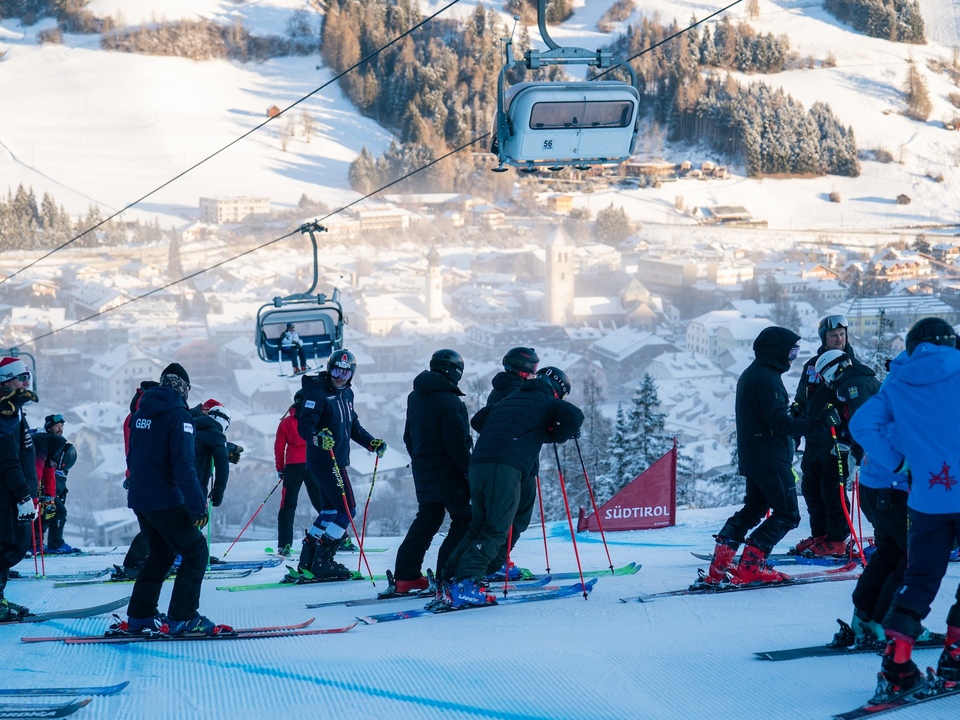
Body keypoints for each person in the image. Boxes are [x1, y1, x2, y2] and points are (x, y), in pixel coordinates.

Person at [849, 317, 960, 702]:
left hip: (926, 499)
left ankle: (897, 669)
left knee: (918, 580)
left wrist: (898, 462)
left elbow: (862, 424)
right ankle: (954, 664)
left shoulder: (897, 382)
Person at [704, 326, 838, 587]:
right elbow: (780, 423)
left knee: (753, 509)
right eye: (791, 351)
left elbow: (773, 418)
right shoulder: (767, 379)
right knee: (788, 514)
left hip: (755, 456)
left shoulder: (754, 374)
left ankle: (720, 566)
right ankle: (751, 566)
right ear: (775, 351)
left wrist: (795, 419)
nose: (793, 357)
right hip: (771, 458)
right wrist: (818, 423)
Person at [440, 366, 584, 609]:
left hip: (479, 465)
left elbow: (478, 420)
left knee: (478, 527)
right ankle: (465, 584)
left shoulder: (510, 398)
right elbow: (575, 417)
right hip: (504, 467)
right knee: (496, 528)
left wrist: (518, 431)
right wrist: (554, 433)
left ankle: (449, 579)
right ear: (557, 391)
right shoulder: (546, 401)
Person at [122, 363, 226, 636]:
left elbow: (132, 456)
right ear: (184, 390)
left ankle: (140, 615)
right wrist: (197, 505)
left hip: (140, 497)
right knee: (196, 552)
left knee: (161, 553)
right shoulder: (179, 416)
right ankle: (183, 616)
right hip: (164, 497)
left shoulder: (140, 412)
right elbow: (184, 464)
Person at [296, 349, 386, 581]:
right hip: (325, 460)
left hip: (337, 460)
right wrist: (317, 438)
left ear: (351, 375)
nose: (340, 377)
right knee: (348, 510)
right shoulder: (317, 393)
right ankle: (323, 561)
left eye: (345, 373)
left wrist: (371, 443)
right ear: (329, 369)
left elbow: (353, 426)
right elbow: (305, 425)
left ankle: (308, 558)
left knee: (330, 511)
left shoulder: (347, 394)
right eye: (336, 370)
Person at [389, 349, 472, 596]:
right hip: (449, 472)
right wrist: (469, 471)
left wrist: (421, 461)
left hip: (423, 470)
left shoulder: (416, 397)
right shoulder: (449, 400)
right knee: (464, 520)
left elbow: (408, 437)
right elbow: (457, 443)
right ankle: (447, 577)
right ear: (456, 372)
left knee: (428, 519)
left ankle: (406, 576)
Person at [792, 314, 863, 557]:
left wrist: (854, 443)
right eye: (833, 335)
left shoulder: (851, 365)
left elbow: (859, 406)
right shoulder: (812, 365)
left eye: (842, 334)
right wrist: (795, 425)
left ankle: (837, 540)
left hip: (837, 441)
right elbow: (802, 398)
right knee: (811, 489)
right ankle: (820, 535)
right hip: (814, 439)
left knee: (832, 491)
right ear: (824, 338)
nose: (839, 339)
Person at [482, 347, 539, 580]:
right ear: (523, 368)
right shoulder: (518, 391)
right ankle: (495, 563)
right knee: (515, 517)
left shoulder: (500, 389)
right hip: (515, 464)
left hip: (501, 463)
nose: (535, 372)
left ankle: (496, 561)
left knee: (500, 517)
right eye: (533, 367)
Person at [0, 357, 38, 620]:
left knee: (8, 547)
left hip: (12, 491)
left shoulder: (13, 409)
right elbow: (8, 460)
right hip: (8, 494)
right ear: (5, 382)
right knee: (9, 547)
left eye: (28, 378)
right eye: (20, 378)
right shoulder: (6, 413)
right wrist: (24, 495)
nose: (26, 383)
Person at [274, 391, 323, 556]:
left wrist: (280, 468)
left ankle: (284, 545)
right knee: (322, 503)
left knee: (287, 506)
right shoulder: (315, 419)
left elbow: (279, 448)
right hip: (313, 464)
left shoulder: (286, 423)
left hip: (293, 467)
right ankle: (339, 537)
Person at [36, 414, 78, 554]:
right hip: (40, 486)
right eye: (56, 426)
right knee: (57, 512)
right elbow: (43, 470)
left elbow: (55, 470)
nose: (60, 429)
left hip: (50, 487)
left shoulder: (54, 442)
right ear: (49, 428)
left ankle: (37, 544)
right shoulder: (42, 442)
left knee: (47, 515)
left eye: (62, 426)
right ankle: (53, 544)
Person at [193, 404, 231, 510]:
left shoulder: (191, 426)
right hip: (195, 486)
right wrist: (218, 492)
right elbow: (222, 466)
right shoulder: (217, 436)